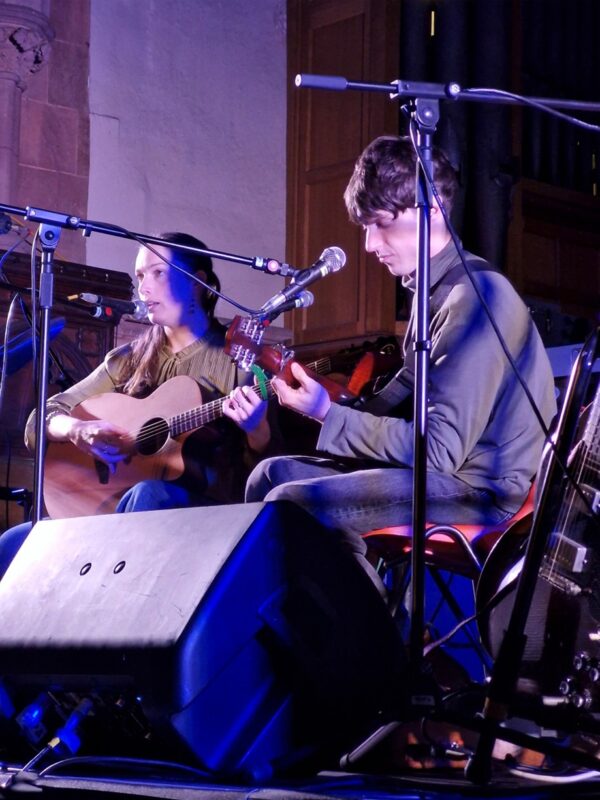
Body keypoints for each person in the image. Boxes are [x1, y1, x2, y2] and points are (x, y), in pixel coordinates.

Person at [246, 136, 557, 570]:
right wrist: (338, 401)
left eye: (380, 224)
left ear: (428, 213)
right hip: (447, 471)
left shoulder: (475, 298)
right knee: (269, 476)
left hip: (481, 489)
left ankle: (362, 634)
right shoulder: (430, 289)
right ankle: (322, 624)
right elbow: (409, 386)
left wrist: (329, 416)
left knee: (288, 503)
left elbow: (440, 454)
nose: (370, 244)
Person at [0, 232, 277, 572]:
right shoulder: (127, 360)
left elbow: (265, 470)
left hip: (204, 516)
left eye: (158, 273)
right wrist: (76, 429)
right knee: (10, 546)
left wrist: (256, 429)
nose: (144, 288)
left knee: (149, 494)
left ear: (197, 283)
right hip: (112, 505)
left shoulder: (240, 362)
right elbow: (40, 420)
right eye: (140, 276)